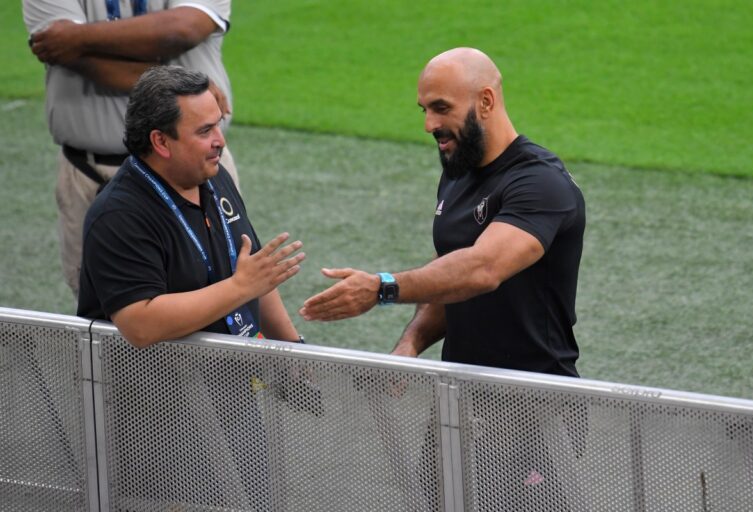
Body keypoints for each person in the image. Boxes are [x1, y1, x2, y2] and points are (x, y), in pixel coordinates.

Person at [300, 47, 585, 377]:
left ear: (486, 101)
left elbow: (482, 269)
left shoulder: (539, 182)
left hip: (536, 397)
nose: (428, 124)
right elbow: (449, 277)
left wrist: (382, 287)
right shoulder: (458, 171)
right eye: (424, 109)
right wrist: (410, 344)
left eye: (441, 108)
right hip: (458, 389)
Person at [77, 66, 305, 348]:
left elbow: (256, 275)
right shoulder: (118, 215)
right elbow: (139, 324)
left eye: (218, 125)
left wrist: (296, 351)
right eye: (205, 130)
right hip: (150, 389)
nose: (220, 141)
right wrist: (239, 288)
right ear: (161, 141)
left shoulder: (213, 176)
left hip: (224, 379)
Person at [23, 0, 238, 297]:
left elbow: (182, 28)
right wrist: (181, 87)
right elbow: (54, 47)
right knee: (107, 310)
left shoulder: (75, 40)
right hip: (91, 171)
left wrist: (77, 39)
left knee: (226, 291)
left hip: (198, 172)